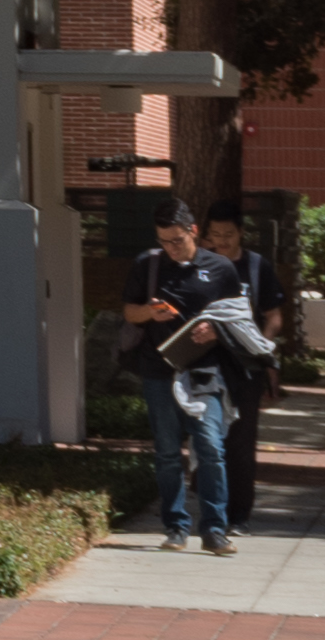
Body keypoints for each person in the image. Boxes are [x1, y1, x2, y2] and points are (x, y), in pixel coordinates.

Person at [119, 211, 233, 551]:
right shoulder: (148, 265)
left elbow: (238, 317)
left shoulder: (220, 268)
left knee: (210, 447)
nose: (170, 248)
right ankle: (176, 527)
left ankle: (214, 529)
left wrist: (216, 329)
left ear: (193, 231)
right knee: (168, 452)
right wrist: (150, 313)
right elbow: (129, 311)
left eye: (177, 240)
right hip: (159, 371)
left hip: (204, 371)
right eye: (163, 241)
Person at [191, 202, 285, 527]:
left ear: (241, 232)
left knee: (242, 443)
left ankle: (239, 514)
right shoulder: (197, 266)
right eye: (214, 234)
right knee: (207, 438)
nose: (222, 241)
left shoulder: (257, 267)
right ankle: (211, 509)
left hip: (245, 368)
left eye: (228, 234)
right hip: (204, 365)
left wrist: (262, 343)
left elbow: (274, 317)